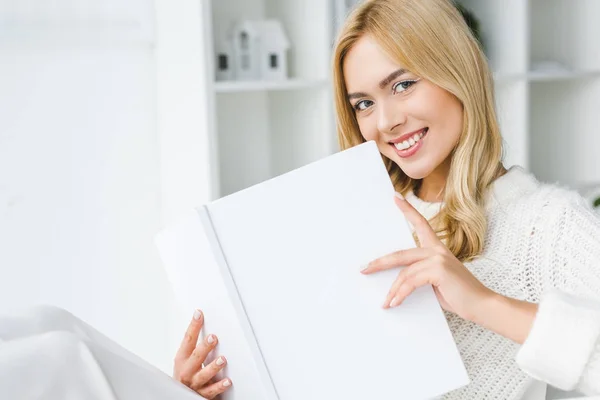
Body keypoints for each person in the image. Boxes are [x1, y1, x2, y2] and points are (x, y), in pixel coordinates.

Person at [174, 0, 600, 399]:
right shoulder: (353, 219)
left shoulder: (548, 224)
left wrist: (483, 303)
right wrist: (221, 384)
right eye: (363, 103)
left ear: (458, 71)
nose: (385, 122)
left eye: (403, 84)